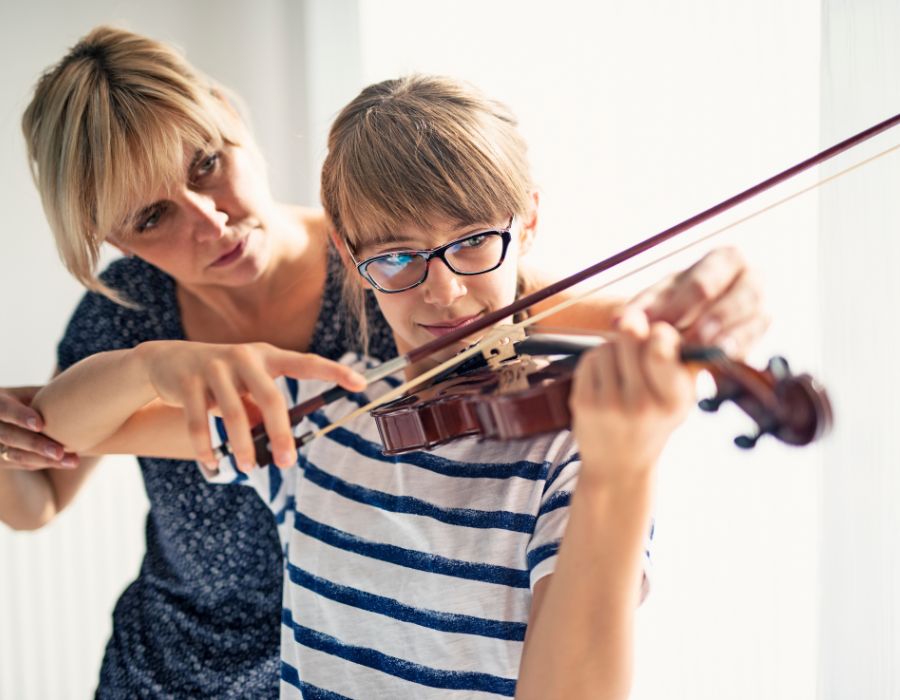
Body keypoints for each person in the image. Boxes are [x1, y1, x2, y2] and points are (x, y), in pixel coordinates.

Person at [0, 27, 766, 699]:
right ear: (116, 239)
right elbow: (56, 448)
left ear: (233, 121)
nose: (210, 220)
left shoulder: (404, 284)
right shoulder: (297, 397)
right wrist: (148, 365)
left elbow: (513, 301)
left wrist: (689, 327)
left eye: (205, 163)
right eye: (153, 215)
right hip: (175, 669)